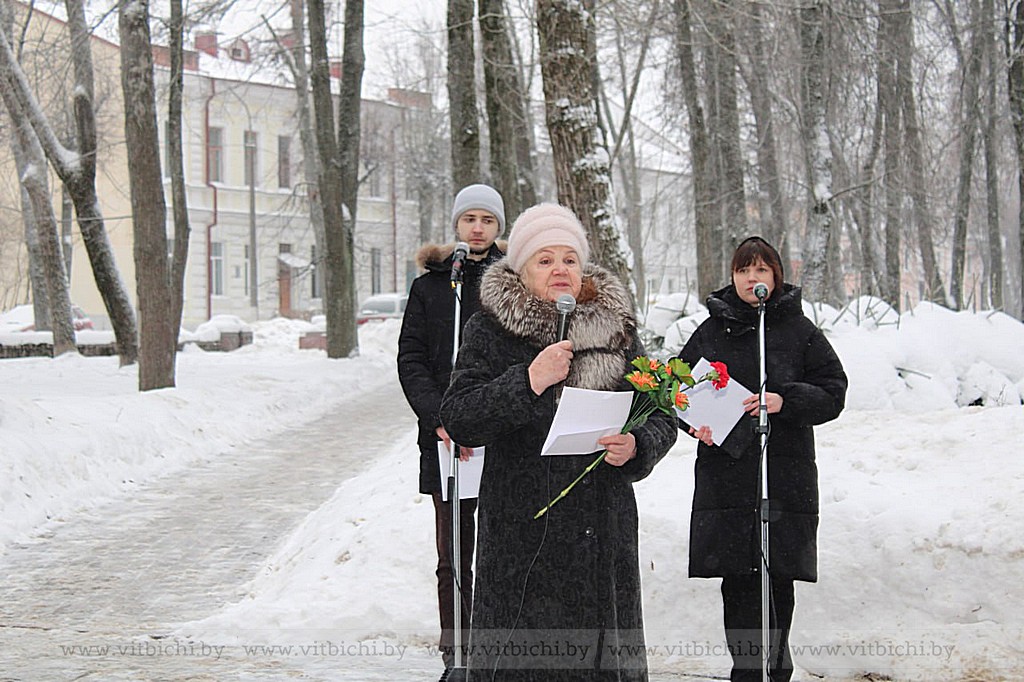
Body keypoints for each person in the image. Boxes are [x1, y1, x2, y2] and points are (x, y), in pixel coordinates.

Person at [439, 203, 677, 681]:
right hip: (521, 529)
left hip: (600, 527)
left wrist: (636, 446)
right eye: (545, 260)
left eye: (569, 258)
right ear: (522, 268)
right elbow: (460, 417)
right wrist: (526, 381)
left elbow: (661, 411)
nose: (560, 270)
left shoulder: (614, 329)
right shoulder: (490, 329)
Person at [677, 236, 848, 682]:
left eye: (760, 271)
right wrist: (695, 423)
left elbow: (834, 392)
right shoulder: (711, 330)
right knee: (738, 580)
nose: (751, 279)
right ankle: (746, 671)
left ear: (775, 277)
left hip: (783, 474)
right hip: (727, 477)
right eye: (742, 270)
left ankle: (777, 668)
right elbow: (676, 391)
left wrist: (784, 400)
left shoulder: (800, 331)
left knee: (777, 579)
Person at [397, 183, 506, 679]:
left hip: (501, 436)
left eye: (487, 220)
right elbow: (412, 359)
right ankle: (455, 651)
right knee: (453, 554)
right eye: (469, 219)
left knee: (502, 548)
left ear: (499, 228)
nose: (477, 228)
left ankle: (496, 647)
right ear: (456, 225)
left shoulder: (512, 283)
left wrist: (492, 413)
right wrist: (438, 418)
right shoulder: (431, 287)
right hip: (444, 439)